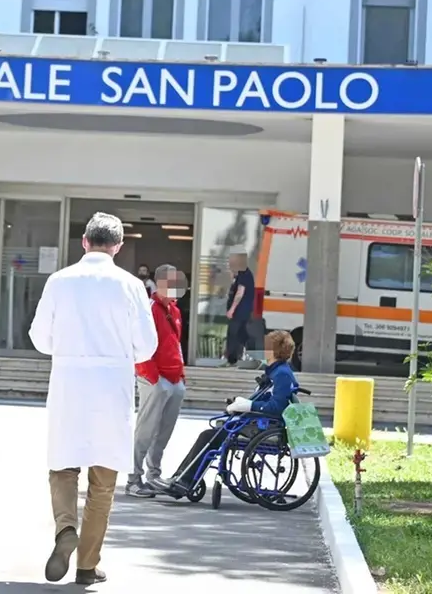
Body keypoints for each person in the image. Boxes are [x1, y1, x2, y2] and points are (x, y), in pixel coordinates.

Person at [29, 212, 158, 586]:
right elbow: (147, 345)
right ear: (118, 246)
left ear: (84, 242)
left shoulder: (59, 281)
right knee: (103, 479)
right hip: (112, 387)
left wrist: (67, 347)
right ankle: (87, 565)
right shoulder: (131, 285)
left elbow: (39, 338)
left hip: (69, 384)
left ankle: (65, 528)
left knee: (62, 465)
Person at [165, 331, 299, 492]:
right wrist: (241, 404)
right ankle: (182, 478)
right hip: (258, 423)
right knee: (210, 434)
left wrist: (248, 406)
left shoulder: (282, 374)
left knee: (209, 436)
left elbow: (277, 407)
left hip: (264, 427)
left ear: (274, 350)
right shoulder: (276, 371)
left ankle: (184, 480)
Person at [127, 264, 187, 498]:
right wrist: (153, 377)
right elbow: (138, 342)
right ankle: (134, 478)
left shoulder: (175, 311)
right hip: (156, 377)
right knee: (146, 428)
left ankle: (153, 474)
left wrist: (180, 376)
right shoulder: (150, 309)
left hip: (173, 378)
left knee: (164, 430)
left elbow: (175, 344)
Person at [223, 245, 256, 366]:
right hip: (243, 311)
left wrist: (232, 309)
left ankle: (231, 359)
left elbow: (240, 292)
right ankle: (242, 357)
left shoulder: (244, 274)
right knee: (242, 335)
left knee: (233, 334)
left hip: (240, 311)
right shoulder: (242, 274)